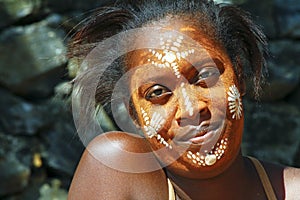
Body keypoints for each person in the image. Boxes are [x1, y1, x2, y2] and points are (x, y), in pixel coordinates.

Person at [67, 0, 300, 199]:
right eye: (157, 93)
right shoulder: (118, 168)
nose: (191, 109)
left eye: (205, 76)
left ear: (238, 77)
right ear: (134, 115)